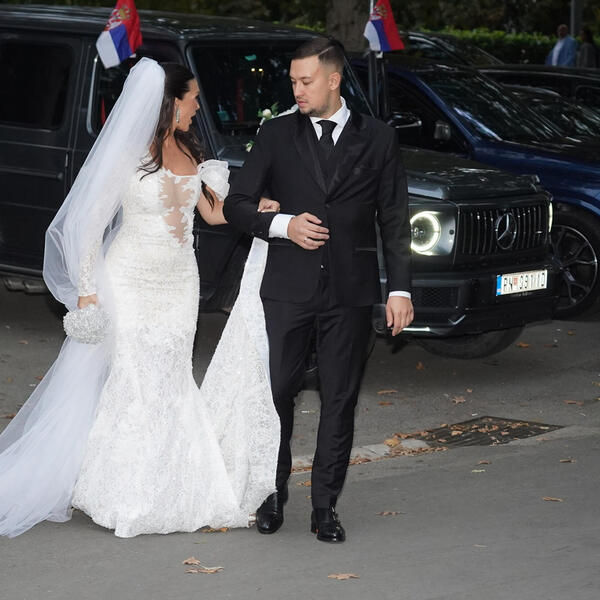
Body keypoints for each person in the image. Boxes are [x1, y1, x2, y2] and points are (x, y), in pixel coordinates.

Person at [0, 58, 280, 538]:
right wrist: (87, 293)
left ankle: (175, 484)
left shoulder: (190, 148)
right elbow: (87, 225)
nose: (197, 108)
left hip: (180, 282)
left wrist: (257, 209)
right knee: (132, 378)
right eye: (192, 99)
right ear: (171, 102)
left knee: (171, 375)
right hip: (130, 279)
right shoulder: (127, 153)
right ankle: (121, 491)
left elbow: (213, 214)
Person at [224, 37, 413, 543]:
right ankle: (271, 493)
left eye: (306, 81)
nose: (297, 90)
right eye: (292, 82)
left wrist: (400, 289)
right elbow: (236, 204)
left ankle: (324, 506)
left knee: (340, 398)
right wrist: (283, 225)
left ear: (333, 80)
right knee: (276, 394)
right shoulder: (276, 133)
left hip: (351, 291)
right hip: (287, 287)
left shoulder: (378, 138)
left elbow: (394, 218)